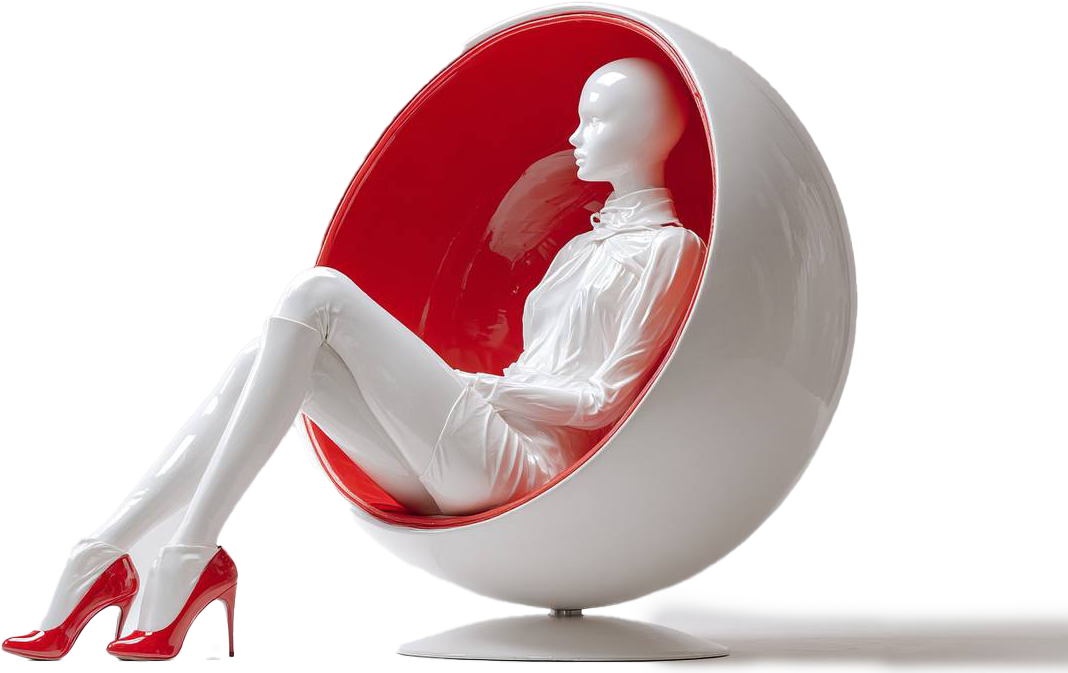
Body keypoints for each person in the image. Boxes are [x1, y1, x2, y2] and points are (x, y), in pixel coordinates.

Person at [2, 56, 705, 661]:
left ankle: (185, 555)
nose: (575, 135)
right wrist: (484, 392)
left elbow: (606, 403)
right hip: (474, 449)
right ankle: (104, 552)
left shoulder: (672, 248)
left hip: (523, 466)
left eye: (595, 120)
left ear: (647, 134)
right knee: (262, 357)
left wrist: (481, 389)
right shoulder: (580, 246)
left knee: (319, 291)